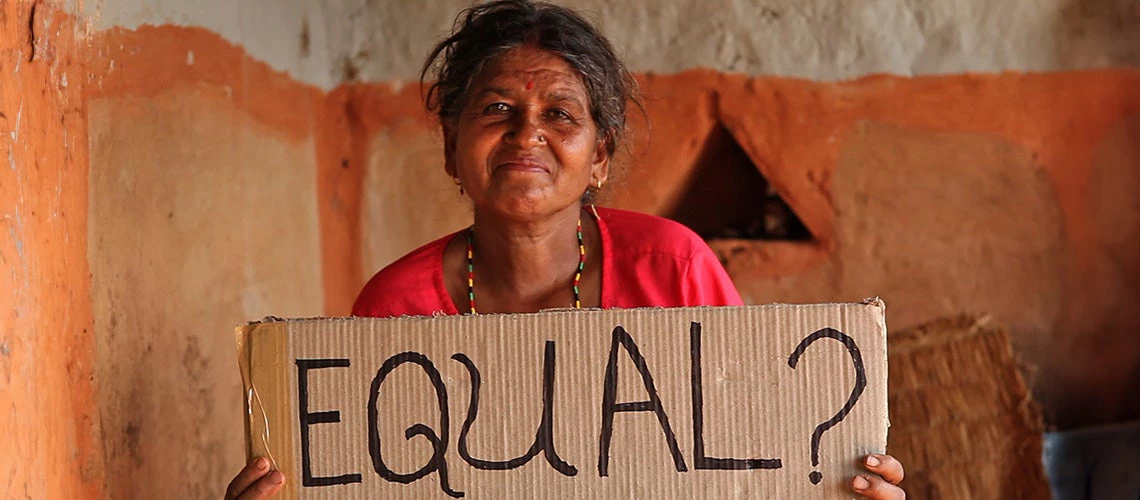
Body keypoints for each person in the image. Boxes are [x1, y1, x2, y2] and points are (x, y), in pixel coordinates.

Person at [225, 1, 905, 498]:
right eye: (496, 110)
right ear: (450, 149)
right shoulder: (394, 310)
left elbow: (755, 458)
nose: (527, 135)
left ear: (600, 156)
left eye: (560, 114)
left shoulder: (675, 271)